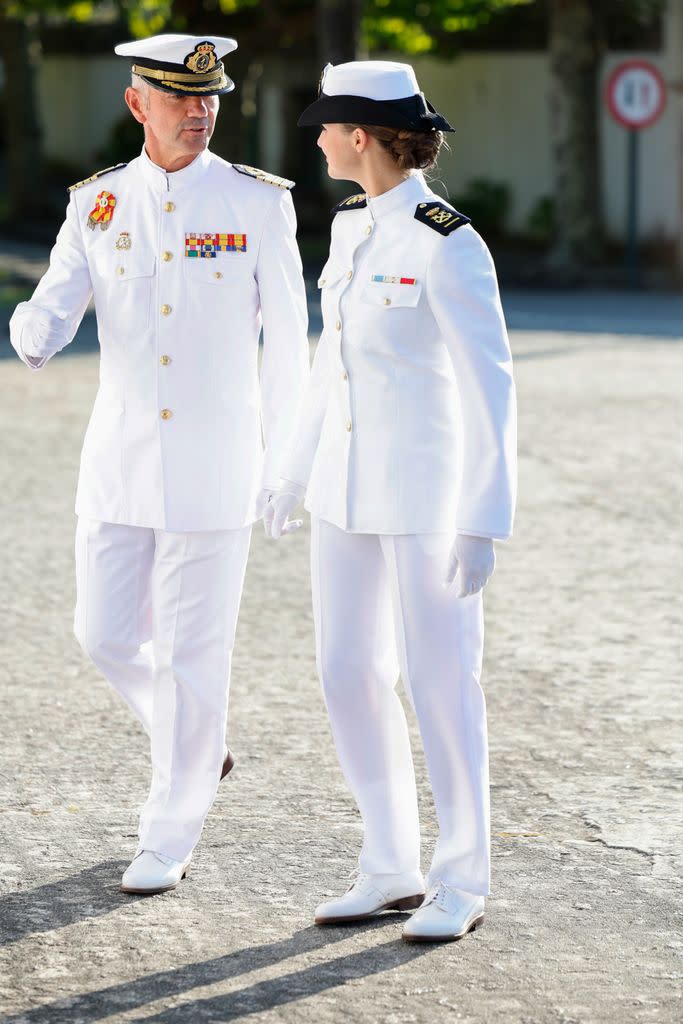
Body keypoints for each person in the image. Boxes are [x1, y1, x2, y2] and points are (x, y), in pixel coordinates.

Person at [10, 34, 309, 895]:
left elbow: (289, 339)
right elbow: (56, 304)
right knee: (101, 633)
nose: (200, 110)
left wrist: (287, 460)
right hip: (119, 463)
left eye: (210, 96)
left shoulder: (256, 203)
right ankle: (198, 743)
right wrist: (30, 330)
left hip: (217, 467)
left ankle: (167, 833)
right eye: (180, 98)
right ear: (138, 104)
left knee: (191, 656)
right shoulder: (97, 204)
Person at [265, 60, 516, 942]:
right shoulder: (347, 227)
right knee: (346, 672)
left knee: (441, 682)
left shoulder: (447, 241)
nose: (321, 139)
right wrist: (291, 470)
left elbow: (491, 390)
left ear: (359, 135)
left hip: (425, 499)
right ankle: (389, 862)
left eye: (328, 126)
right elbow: (326, 367)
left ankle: (462, 876)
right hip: (343, 492)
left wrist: (483, 518)